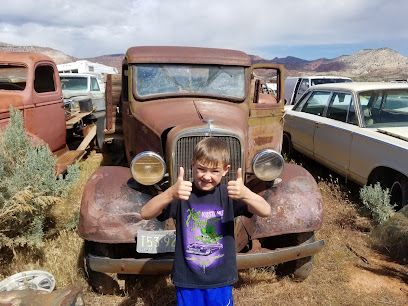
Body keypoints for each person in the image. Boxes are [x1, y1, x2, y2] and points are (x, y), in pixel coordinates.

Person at [140, 137, 271, 306]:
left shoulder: (228, 195)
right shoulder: (181, 194)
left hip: (220, 279)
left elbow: (266, 211)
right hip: (187, 279)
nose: (207, 176)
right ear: (192, 165)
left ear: (225, 170)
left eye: (215, 171)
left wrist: (247, 194)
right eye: (201, 169)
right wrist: (170, 193)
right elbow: (145, 213)